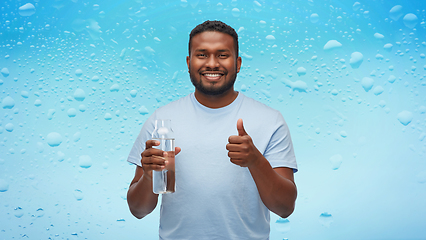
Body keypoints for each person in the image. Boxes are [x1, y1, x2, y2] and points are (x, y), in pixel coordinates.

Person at [126, 20, 298, 239]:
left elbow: (285, 208)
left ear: (238, 63)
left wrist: (256, 161)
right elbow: (138, 210)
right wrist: (149, 176)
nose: (212, 63)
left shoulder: (270, 120)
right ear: (189, 62)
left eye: (223, 55)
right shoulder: (161, 121)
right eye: (202, 54)